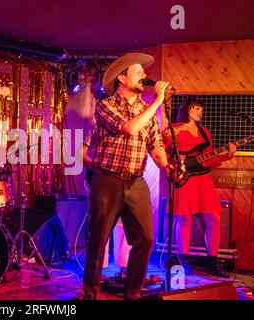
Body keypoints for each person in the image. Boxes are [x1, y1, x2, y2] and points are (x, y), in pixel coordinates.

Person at [82, 53, 170, 300]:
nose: (144, 75)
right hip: (107, 181)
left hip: (136, 181)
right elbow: (130, 128)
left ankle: (132, 293)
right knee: (98, 240)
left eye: (144, 72)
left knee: (145, 238)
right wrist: (158, 101)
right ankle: (89, 294)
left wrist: (167, 166)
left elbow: (155, 144)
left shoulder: (146, 109)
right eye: (137, 72)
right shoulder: (106, 105)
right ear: (122, 77)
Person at [162, 98, 235, 277]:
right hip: (184, 179)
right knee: (184, 220)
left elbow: (208, 158)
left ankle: (212, 261)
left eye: (201, 109)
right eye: (196, 108)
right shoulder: (174, 129)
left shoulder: (204, 132)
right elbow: (161, 150)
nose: (200, 112)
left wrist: (227, 155)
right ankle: (183, 259)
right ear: (186, 109)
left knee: (214, 219)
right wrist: (171, 167)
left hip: (203, 180)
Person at [82, 122, 131, 276]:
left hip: (125, 180)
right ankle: (98, 269)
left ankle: (124, 266)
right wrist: (96, 167)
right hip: (102, 179)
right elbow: (80, 153)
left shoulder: (131, 127)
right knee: (102, 226)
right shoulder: (97, 127)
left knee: (123, 225)